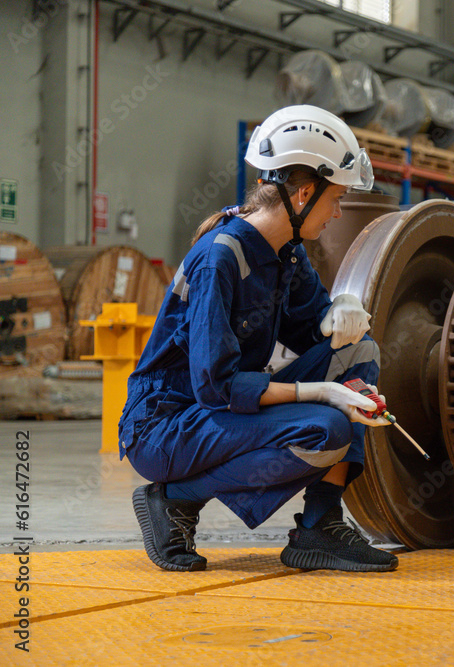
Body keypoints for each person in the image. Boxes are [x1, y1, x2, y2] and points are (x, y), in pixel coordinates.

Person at [119, 105, 399, 573]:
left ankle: (320, 526)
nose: (338, 212)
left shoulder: (286, 254)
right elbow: (217, 387)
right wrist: (321, 392)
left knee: (359, 351)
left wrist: (342, 309)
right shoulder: (219, 259)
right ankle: (175, 498)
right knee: (325, 428)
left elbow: (318, 330)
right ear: (305, 193)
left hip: (216, 416)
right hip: (167, 427)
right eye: (336, 199)